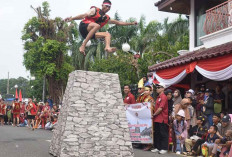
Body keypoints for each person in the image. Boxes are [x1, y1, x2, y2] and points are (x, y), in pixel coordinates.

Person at [64, 0, 137, 55]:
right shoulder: (95, 10)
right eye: (106, 6)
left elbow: (118, 22)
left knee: (107, 34)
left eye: (109, 7)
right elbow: (83, 15)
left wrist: (131, 23)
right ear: (102, 5)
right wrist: (72, 18)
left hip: (89, 33)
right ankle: (83, 46)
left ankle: (107, 47)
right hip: (84, 26)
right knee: (97, 25)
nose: (108, 8)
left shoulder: (106, 18)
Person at [151, 83, 169, 154]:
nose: (157, 89)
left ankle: (164, 148)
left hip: (162, 118)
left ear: (163, 89)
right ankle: (157, 147)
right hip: (157, 118)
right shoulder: (158, 97)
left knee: (163, 134)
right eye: (157, 87)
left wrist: (154, 114)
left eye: (159, 87)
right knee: (157, 134)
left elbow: (160, 108)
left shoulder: (163, 97)